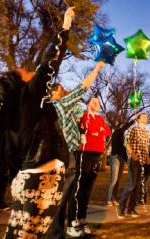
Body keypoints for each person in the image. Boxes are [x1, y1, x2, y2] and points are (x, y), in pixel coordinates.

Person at [0, 7, 74, 238]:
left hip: (26, 180)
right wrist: (66, 26)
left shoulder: (8, 116)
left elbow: (8, 154)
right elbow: (49, 64)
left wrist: (14, 181)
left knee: (19, 234)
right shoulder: (26, 98)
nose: (31, 74)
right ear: (19, 84)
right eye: (26, 74)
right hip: (42, 181)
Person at [47, 61, 105, 238]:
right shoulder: (60, 104)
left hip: (68, 152)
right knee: (66, 194)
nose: (64, 91)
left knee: (69, 192)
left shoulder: (59, 109)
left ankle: (67, 227)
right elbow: (83, 87)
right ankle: (57, 232)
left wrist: (89, 109)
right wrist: (96, 69)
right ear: (54, 93)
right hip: (69, 153)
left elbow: (83, 117)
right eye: (61, 89)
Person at [67, 96, 111, 235]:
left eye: (97, 102)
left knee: (87, 189)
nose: (96, 103)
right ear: (87, 104)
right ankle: (71, 221)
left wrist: (96, 133)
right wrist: (92, 133)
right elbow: (82, 131)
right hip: (84, 153)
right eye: (93, 101)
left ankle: (82, 219)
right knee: (78, 188)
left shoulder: (100, 119)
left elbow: (107, 132)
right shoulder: (83, 116)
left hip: (97, 155)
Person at [118, 112, 150, 219]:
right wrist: (132, 154)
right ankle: (121, 208)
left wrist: (147, 157)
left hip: (142, 161)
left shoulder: (146, 132)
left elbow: (145, 146)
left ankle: (131, 209)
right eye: (143, 117)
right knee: (130, 184)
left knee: (136, 186)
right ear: (138, 119)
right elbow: (126, 142)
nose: (145, 118)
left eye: (146, 117)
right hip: (134, 160)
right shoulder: (133, 129)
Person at [106, 120, 135, 205]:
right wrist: (132, 122)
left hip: (121, 158)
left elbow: (123, 149)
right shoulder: (117, 132)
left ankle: (114, 198)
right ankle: (108, 199)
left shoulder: (123, 135)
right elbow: (120, 148)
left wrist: (126, 159)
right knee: (114, 180)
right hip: (115, 157)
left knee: (118, 180)